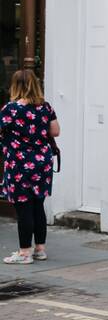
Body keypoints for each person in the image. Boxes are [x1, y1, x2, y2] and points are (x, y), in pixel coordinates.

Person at [2, 69, 60, 265]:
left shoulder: (10, 110)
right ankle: (40, 250)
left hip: (19, 164)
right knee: (38, 206)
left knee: (23, 209)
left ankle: (24, 253)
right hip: (42, 163)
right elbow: (55, 131)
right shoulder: (45, 107)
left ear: (15, 86)